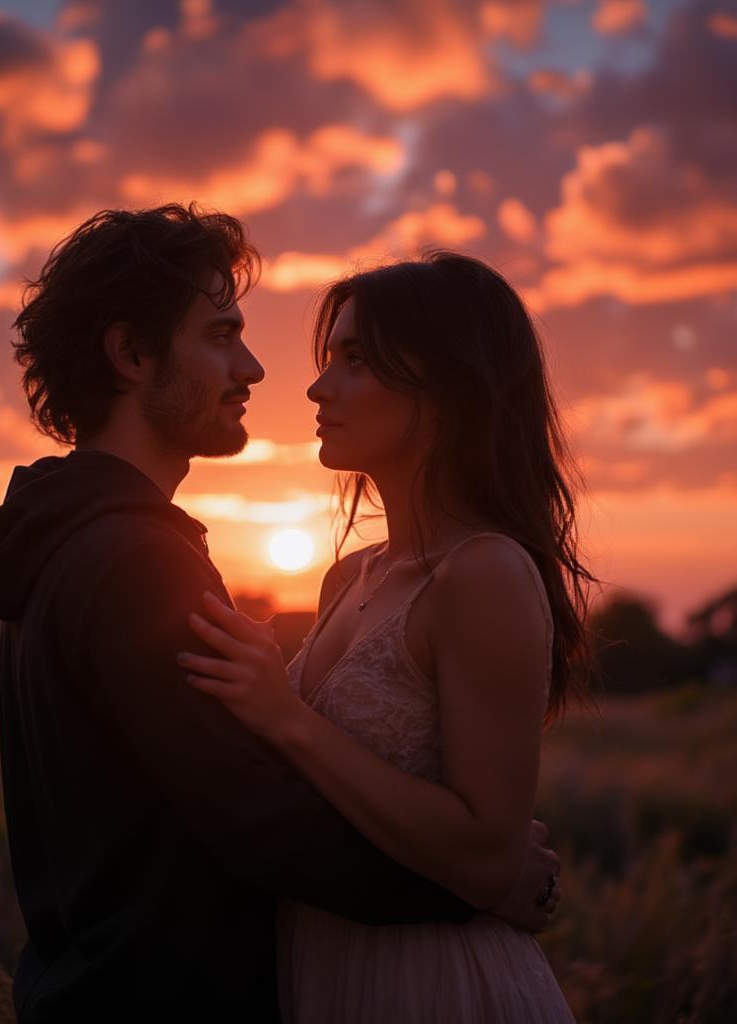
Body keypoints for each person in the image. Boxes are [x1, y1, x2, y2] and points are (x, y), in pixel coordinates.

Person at [0, 206, 563, 1024]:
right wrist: (479, 885)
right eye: (220, 336)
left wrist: (474, 864)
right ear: (132, 354)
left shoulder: (65, 540)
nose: (260, 370)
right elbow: (259, 818)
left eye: (352, 360)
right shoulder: (133, 559)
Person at [179, 252, 592, 1022]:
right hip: (324, 967)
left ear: (448, 385)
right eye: (329, 358)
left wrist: (287, 718)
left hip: (430, 982)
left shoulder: (484, 573)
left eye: (355, 361)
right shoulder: (349, 576)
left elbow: (486, 852)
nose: (315, 386)